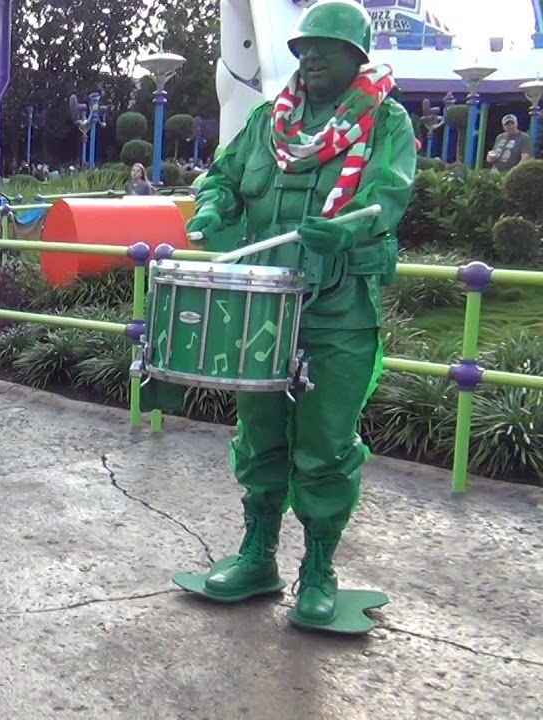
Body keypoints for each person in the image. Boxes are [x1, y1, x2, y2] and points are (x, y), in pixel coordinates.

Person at [172, 0, 416, 629]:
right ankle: (258, 554)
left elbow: (388, 196)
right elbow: (220, 179)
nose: (308, 60)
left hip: (337, 312)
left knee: (326, 446)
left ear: (356, 58)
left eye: (324, 51)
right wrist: (209, 209)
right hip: (263, 311)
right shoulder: (266, 123)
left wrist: (349, 229)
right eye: (304, 49)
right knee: (258, 435)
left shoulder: (386, 123)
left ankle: (319, 567)